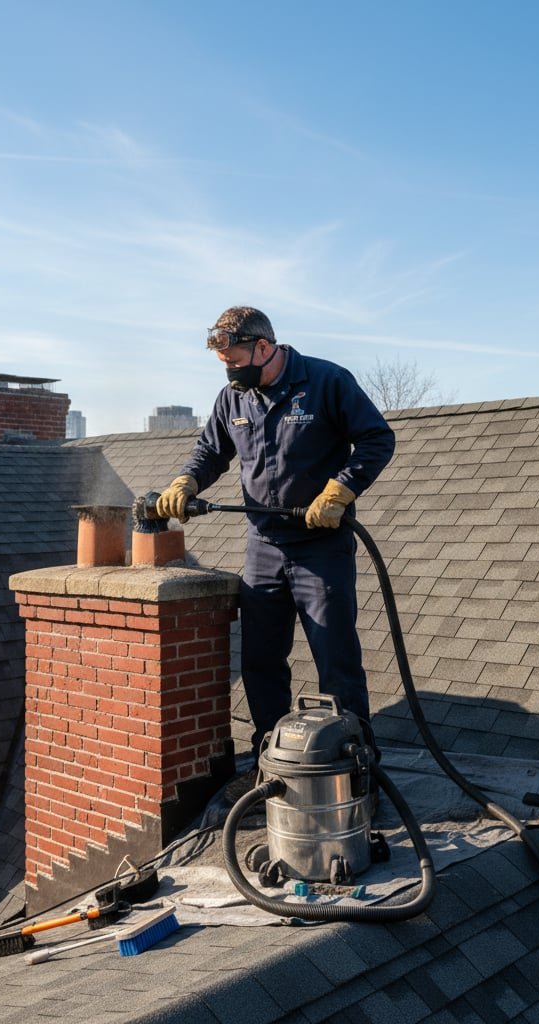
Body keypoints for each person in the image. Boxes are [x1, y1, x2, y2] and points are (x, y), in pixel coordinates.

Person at [156, 306, 395, 760]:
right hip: (263, 547)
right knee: (261, 662)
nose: (230, 372)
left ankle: (355, 764)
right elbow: (211, 451)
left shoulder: (326, 381)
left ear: (263, 347)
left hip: (321, 547)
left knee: (336, 661)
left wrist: (341, 490)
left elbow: (377, 438)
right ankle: (271, 762)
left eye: (235, 361)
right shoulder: (234, 398)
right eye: (223, 365)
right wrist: (186, 480)